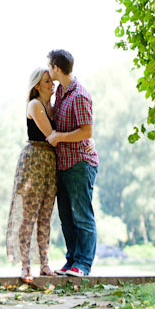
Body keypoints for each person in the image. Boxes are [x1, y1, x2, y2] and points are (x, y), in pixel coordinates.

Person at [46, 48, 98, 278]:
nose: (49, 71)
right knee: (66, 217)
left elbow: (86, 130)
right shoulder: (60, 92)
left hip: (79, 163)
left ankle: (84, 265)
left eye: (49, 66)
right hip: (63, 164)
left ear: (57, 68)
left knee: (81, 215)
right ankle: (71, 261)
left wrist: (60, 137)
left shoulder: (80, 95)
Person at [6, 66, 57, 283]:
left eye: (51, 81)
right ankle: (25, 265)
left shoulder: (52, 106)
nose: (51, 84)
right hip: (34, 159)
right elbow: (51, 135)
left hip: (50, 161)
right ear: (37, 85)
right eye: (47, 81)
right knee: (28, 215)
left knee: (46, 214)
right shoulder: (35, 105)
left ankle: (44, 264)